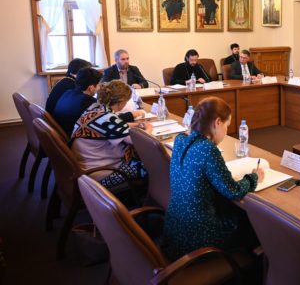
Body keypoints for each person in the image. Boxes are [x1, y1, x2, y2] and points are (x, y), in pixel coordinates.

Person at [162, 97, 264, 261]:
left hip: (175, 230)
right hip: (198, 238)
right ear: (217, 122)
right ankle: (251, 266)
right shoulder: (207, 149)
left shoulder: (180, 140)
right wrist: (254, 177)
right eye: (227, 125)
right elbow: (233, 191)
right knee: (249, 220)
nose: (226, 131)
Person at [71, 80, 152, 188]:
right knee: (152, 166)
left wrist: (135, 125)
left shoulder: (95, 108)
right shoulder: (107, 118)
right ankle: (150, 196)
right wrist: (149, 129)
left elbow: (110, 126)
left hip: (86, 167)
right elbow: (139, 142)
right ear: (120, 102)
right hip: (98, 174)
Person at [52, 68, 103, 136]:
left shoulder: (67, 92)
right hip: (73, 137)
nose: (100, 87)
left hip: (61, 133)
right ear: (91, 88)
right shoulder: (89, 102)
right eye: (99, 85)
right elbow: (100, 123)